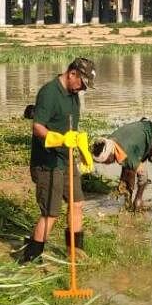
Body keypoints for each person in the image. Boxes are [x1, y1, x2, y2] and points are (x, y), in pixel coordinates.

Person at [20, 58, 96, 264]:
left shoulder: (74, 95)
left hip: (66, 158)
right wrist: (59, 139)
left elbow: (72, 127)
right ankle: (31, 258)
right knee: (50, 213)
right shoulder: (49, 93)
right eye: (82, 83)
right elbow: (38, 127)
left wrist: (82, 148)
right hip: (48, 162)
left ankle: (75, 252)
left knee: (77, 203)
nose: (83, 89)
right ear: (72, 74)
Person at [91, 119, 152, 217]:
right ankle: (127, 202)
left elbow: (143, 176)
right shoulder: (108, 142)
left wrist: (138, 197)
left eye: (107, 161)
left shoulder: (127, 154)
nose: (107, 164)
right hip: (140, 141)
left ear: (111, 153)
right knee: (128, 170)